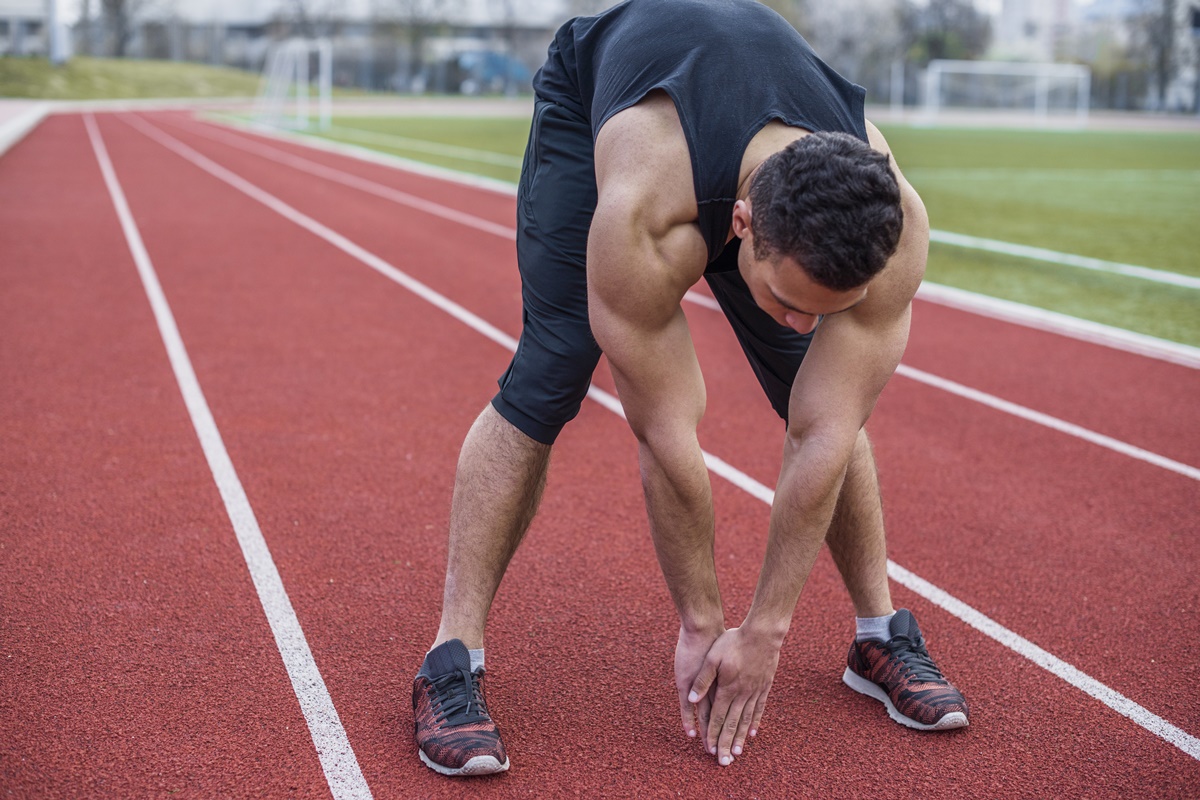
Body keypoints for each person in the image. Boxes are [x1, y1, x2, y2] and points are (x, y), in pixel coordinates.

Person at [412, 0, 969, 777]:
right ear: (741, 224)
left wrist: (768, 630)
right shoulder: (643, 216)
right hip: (613, 105)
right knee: (548, 375)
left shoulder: (894, 226)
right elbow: (666, 435)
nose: (803, 326)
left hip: (755, 149)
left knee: (817, 398)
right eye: (788, 302)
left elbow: (824, 433)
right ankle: (451, 657)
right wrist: (704, 624)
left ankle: (881, 634)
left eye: (826, 312)